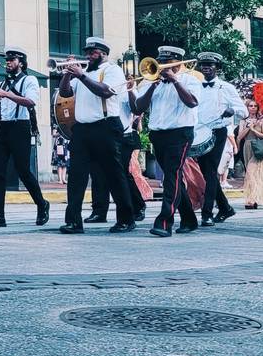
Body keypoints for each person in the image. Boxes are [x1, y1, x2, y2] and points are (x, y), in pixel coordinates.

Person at [59, 37, 135, 234]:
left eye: (92, 53)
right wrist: (68, 74)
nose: (88, 56)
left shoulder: (112, 70)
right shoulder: (85, 73)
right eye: (87, 52)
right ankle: (73, 221)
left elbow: (106, 92)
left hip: (106, 126)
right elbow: (65, 93)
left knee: (114, 175)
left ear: (103, 53)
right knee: (76, 176)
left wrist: (81, 75)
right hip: (83, 129)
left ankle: (126, 219)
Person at [132, 46, 202, 237]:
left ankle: (164, 221)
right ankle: (189, 219)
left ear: (177, 63)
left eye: (166, 61)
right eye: (160, 60)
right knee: (175, 178)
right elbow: (139, 108)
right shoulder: (152, 81)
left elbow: (192, 102)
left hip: (180, 134)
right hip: (158, 135)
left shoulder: (190, 80)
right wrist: (153, 85)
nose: (161, 65)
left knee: (171, 177)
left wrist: (175, 81)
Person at [0, 46, 50, 228]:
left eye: (12, 60)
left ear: (21, 63)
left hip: (20, 127)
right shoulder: (0, 84)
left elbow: (31, 101)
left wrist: (5, 94)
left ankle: (42, 204)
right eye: (7, 60)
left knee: (23, 171)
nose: (8, 63)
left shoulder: (29, 80)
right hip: (1, 128)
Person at [187, 51, 245, 228]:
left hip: (217, 132)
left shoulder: (226, 88)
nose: (206, 68)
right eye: (203, 65)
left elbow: (245, 111)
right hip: (198, 133)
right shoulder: (194, 85)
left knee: (210, 170)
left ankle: (207, 214)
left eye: (210, 65)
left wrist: (232, 111)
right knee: (207, 173)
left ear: (217, 68)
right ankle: (225, 208)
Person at [88, 75, 149, 223]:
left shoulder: (128, 87)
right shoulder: (102, 89)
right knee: (98, 173)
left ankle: (138, 206)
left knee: (121, 173)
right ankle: (99, 211)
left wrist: (130, 89)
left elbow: (137, 109)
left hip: (125, 135)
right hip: (106, 135)